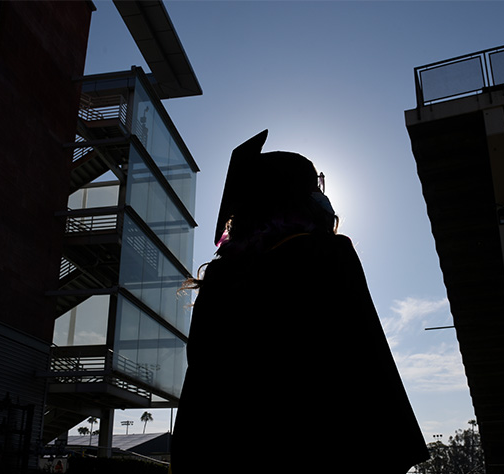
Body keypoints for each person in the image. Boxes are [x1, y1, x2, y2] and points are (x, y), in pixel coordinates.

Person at [170, 130, 429, 473]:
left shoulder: (220, 278)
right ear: (296, 195)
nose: (321, 196)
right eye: (315, 186)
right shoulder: (324, 254)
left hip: (232, 453)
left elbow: (203, 386)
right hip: (319, 449)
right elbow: (365, 358)